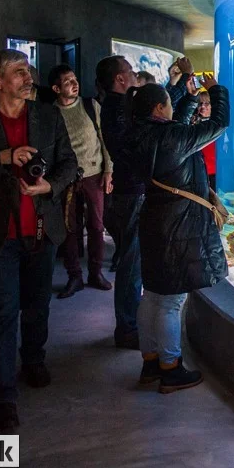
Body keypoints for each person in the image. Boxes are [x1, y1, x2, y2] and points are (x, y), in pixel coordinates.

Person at [0, 49, 77, 432]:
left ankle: (34, 358)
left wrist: (49, 185)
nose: (29, 78)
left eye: (28, 71)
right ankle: (4, 397)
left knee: (38, 304)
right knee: (3, 312)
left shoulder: (47, 115)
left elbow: (70, 164)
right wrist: (3, 157)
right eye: (19, 72)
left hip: (42, 230)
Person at [126, 76, 228, 393]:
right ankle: (171, 368)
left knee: (152, 295)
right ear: (159, 108)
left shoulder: (138, 134)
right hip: (179, 225)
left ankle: (150, 362)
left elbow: (177, 126)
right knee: (172, 301)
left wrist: (190, 98)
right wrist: (216, 91)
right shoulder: (172, 137)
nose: (172, 109)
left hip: (153, 219)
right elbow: (219, 124)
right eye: (169, 104)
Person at [49, 64, 113, 298]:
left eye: (74, 79)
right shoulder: (50, 113)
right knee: (69, 229)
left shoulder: (90, 106)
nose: (74, 84)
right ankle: (74, 276)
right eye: (67, 81)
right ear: (56, 88)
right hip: (65, 178)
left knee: (96, 226)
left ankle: (95, 273)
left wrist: (109, 170)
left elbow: (105, 139)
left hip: (94, 174)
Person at [95, 55, 142, 349]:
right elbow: (133, 146)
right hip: (132, 192)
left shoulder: (116, 106)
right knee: (131, 262)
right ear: (120, 79)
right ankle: (127, 327)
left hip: (129, 190)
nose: (135, 75)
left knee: (132, 259)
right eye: (131, 71)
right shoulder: (118, 108)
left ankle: (130, 323)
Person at [191, 87, 218, 192]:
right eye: (200, 103)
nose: (202, 106)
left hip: (215, 172)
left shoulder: (218, 124)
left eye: (207, 103)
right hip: (198, 172)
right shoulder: (191, 123)